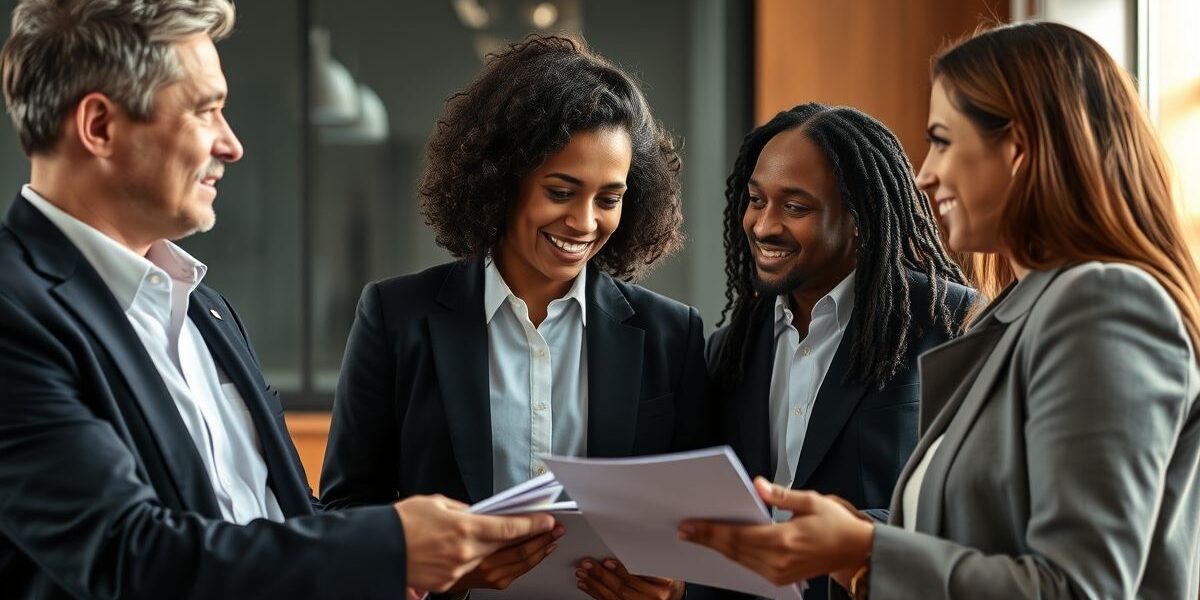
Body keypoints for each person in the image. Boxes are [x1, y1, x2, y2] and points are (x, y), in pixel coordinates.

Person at [0, 2, 554, 598]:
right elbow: (128, 556)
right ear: (99, 127)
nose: (231, 144)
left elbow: (278, 518)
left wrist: (428, 564)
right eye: (205, 110)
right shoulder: (14, 313)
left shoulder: (207, 311)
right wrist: (389, 547)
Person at [679, 21, 1200, 599]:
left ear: (1018, 150)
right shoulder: (1016, 317)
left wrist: (865, 550)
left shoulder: (1104, 307)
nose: (925, 175)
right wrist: (854, 549)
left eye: (943, 141)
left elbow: (1079, 588)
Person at [319, 35, 713, 599]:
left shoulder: (672, 336)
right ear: (503, 180)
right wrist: (439, 575)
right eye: (561, 191)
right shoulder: (395, 318)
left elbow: (702, 535)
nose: (584, 222)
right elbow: (346, 510)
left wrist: (675, 589)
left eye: (608, 198)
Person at [695, 103, 973, 599]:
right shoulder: (731, 346)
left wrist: (859, 539)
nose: (763, 226)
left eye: (795, 208)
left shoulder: (951, 324)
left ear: (858, 218)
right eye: (756, 200)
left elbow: (975, 506)